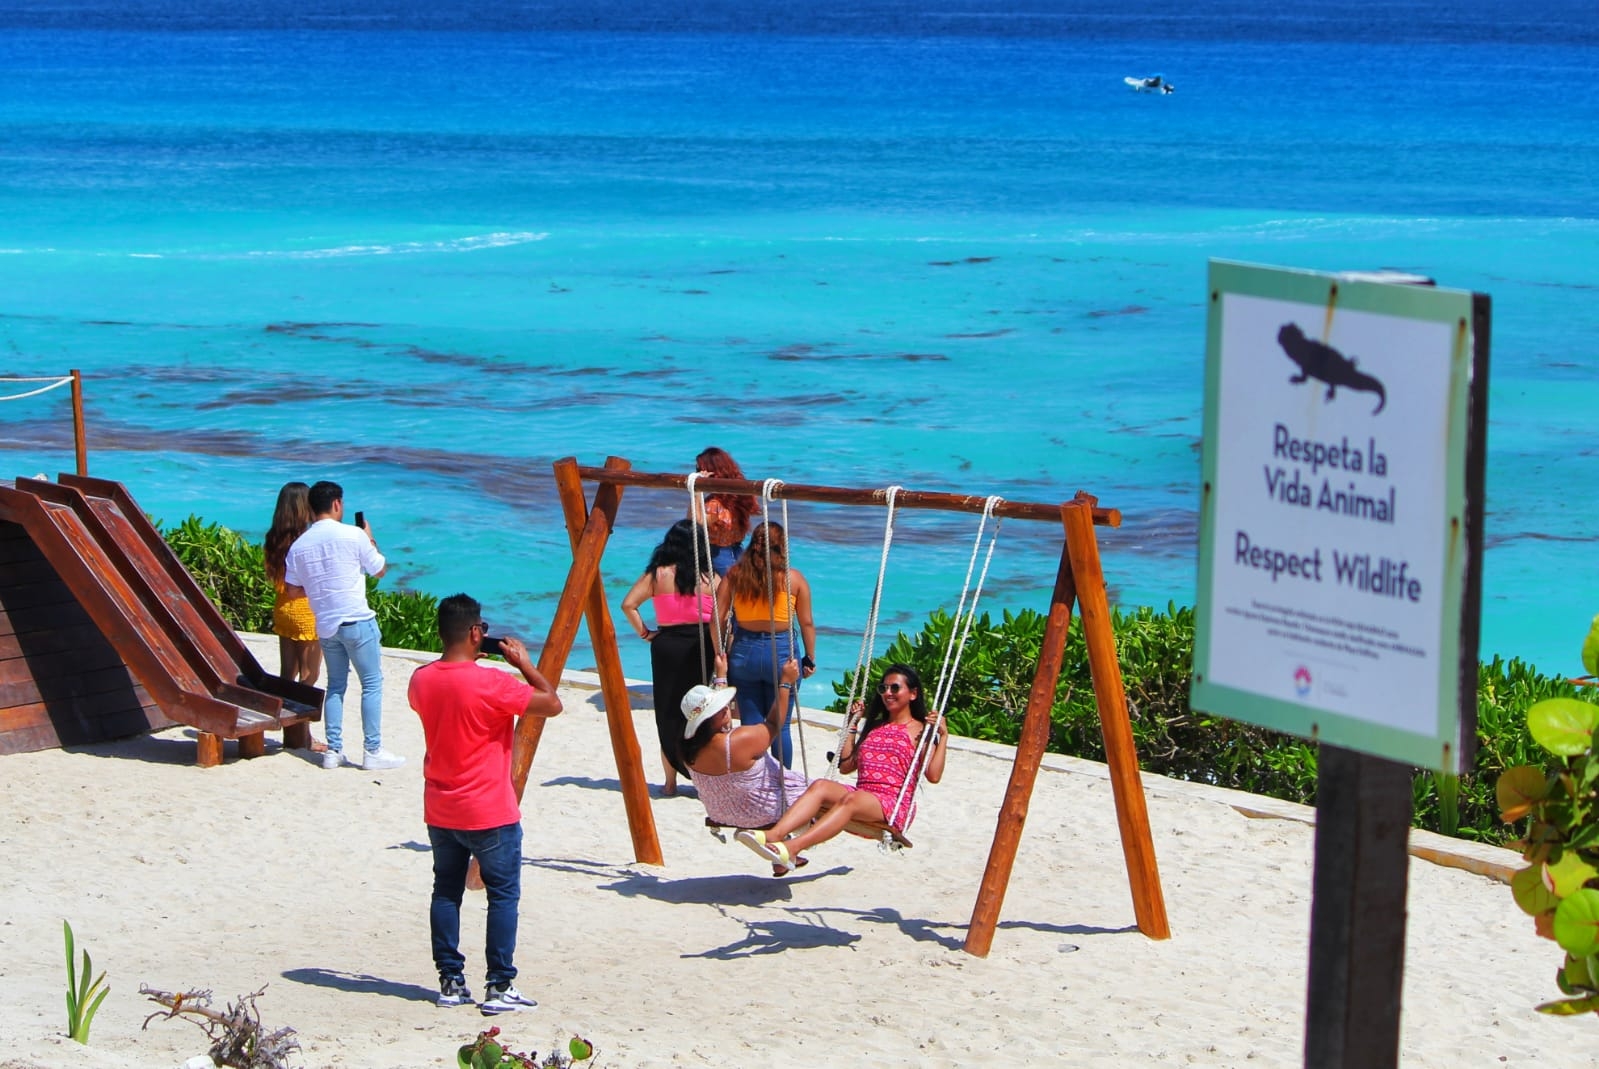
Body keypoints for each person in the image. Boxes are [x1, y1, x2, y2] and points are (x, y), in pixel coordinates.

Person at [408, 594, 562, 1014]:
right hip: (489, 808)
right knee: (503, 895)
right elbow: (552, 703)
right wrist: (525, 665)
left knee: (446, 891)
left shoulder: (420, 680)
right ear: (476, 633)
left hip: (441, 806)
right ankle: (499, 985)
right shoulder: (493, 683)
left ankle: (450, 982)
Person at [735, 663, 947, 873]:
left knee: (851, 800)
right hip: (862, 795)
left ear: (913, 693)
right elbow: (846, 766)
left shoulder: (921, 730)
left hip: (892, 804)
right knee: (820, 786)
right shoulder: (875, 727)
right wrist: (852, 725)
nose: (888, 693)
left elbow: (934, 775)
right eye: (883, 688)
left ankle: (792, 848)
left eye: (895, 688)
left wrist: (943, 736)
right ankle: (775, 835)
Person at [282, 480, 403, 771]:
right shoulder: (354, 535)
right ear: (337, 504)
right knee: (371, 684)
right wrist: (370, 539)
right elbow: (380, 571)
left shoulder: (299, 546)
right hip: (357, 620)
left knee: (335, 685)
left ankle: (333, 750)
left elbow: (292, 590)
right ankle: (372, 749)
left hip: (326, 625)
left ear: (311, 508)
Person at [683, 655, 809, 874]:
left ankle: (782, 861)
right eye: (720, 709)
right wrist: (786, 682)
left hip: (722, 813)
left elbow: (720, 722)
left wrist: (721, 676)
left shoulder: (688, 749)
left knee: (763, 786)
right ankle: (788, 847)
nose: (726, 709)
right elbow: (773, 723)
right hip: (761, 812)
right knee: (820, 793)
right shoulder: (738, 742)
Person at [619, 518, 717, 796]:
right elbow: (722, 617)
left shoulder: (657, 574)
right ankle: (701, 778)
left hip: (667, 645)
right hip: (700, 646)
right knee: (700, 711)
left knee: (668, 711)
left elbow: (628, 604)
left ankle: (670, 782)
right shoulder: (710, 578)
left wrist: (645, 633)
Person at [716, 521, 816, 768]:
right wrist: (810, 657)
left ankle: (753, 781)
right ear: (781, 547)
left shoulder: (735, 576)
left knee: (751, 724)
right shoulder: (793, 579)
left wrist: (719, 651)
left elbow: (716, 617)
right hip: (781, 652)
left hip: (744, 650)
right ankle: (783, 786)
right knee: (780, 726)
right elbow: (807, 623)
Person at [263, 482, 322, 689]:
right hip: (305, 611)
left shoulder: (273, 538)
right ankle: (300, 721)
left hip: (283, 609)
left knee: (287, 673)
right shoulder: (306, 541)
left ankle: (284, 717)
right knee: (309, 675)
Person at [690, 447, 759, 577]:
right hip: (737, 551)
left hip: (718, 555)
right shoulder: (738, 496)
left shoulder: (714, 504)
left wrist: (696, 490)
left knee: (723, 595)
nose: (696, 474)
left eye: (699, 470)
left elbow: (696, 523)